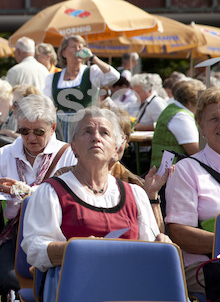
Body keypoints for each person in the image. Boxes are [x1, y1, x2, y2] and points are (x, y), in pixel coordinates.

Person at [22, 106, 169, 275]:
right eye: (88, 131)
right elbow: (35, 249)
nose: (96, 138)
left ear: (116, 148)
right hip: (77, 284)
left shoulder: (135, 194)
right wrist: (78, 248)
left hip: (129, 284)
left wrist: (160, 244)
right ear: (73, 146)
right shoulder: (52, 192)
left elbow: (149, 248)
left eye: (105, 133)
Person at [0, 95, 77, 294]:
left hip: (57, 231)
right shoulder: (5, 154)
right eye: (24, 131)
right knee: (13, 279)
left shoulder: (69, 154)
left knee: (60, 280)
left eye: (39, 132)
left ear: (53, 127)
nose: (31, 138)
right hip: (17, 233)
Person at [165, 86, 220, 294]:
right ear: (200, 126)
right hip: (207, 265)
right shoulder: (187, 170)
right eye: (213, 119)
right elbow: (179, 234)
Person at [43, 35, 120, 142]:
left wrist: (93, 58)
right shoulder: (53, 77)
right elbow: (47, 103)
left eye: (81, 46)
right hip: (61, 127)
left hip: (86, 124)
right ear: (64, 52)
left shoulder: (92, 72)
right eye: (74, 47)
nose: (79, 50)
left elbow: (114, 76)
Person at [150, 79, 205, 169]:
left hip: (168, 169)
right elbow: (195, 150)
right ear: (190, 102)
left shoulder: (173, 108)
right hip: (169, 174)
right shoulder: (181, 116)